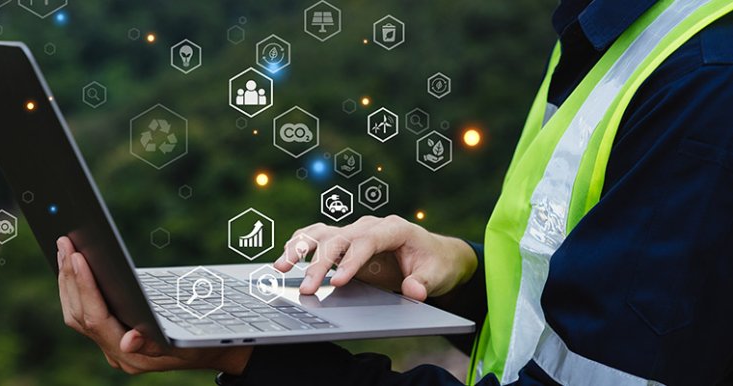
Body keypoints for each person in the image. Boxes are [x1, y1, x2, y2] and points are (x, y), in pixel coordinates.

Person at [55, 0, 733, 384]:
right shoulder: (611, 31)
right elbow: (608, 302)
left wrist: (246, 356)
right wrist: (453, 270)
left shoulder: (705, 85)